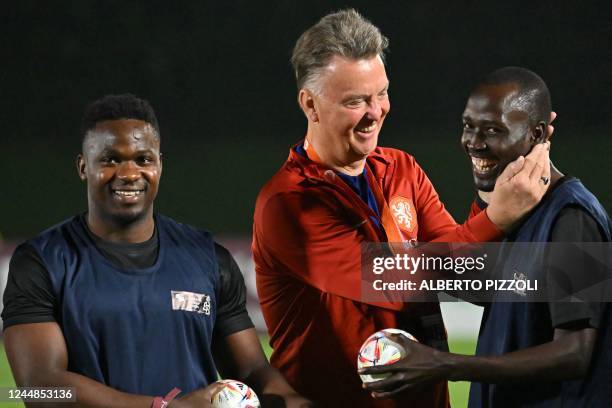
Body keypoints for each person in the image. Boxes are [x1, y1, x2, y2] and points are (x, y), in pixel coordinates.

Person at [252, 9, 551, 408]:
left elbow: (463, 264)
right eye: (356, 101)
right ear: (310, 104)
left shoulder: (400, 168)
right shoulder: (288, 202)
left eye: (381, 93)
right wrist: (498, 213)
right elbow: (394, 281)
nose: (376, 112)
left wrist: (487, 191)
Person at [1, 94, 310, 408]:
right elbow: (39, 389)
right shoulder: (42, 262)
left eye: (142, 159)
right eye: (110, 159)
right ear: (83, 167)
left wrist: (295, 402)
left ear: (159, 164)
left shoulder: (208, 259)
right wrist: (162, 407)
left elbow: (252, 370)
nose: (129, 173)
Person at [360, 67, 612, 407]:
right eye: (469, 126)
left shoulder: (573, 219)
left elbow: (575, 352)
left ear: (536, 134)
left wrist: (444, 365)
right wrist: (488, 201)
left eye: (493, 130)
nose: (474, 143)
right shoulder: (519, 214)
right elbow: (474, 286)